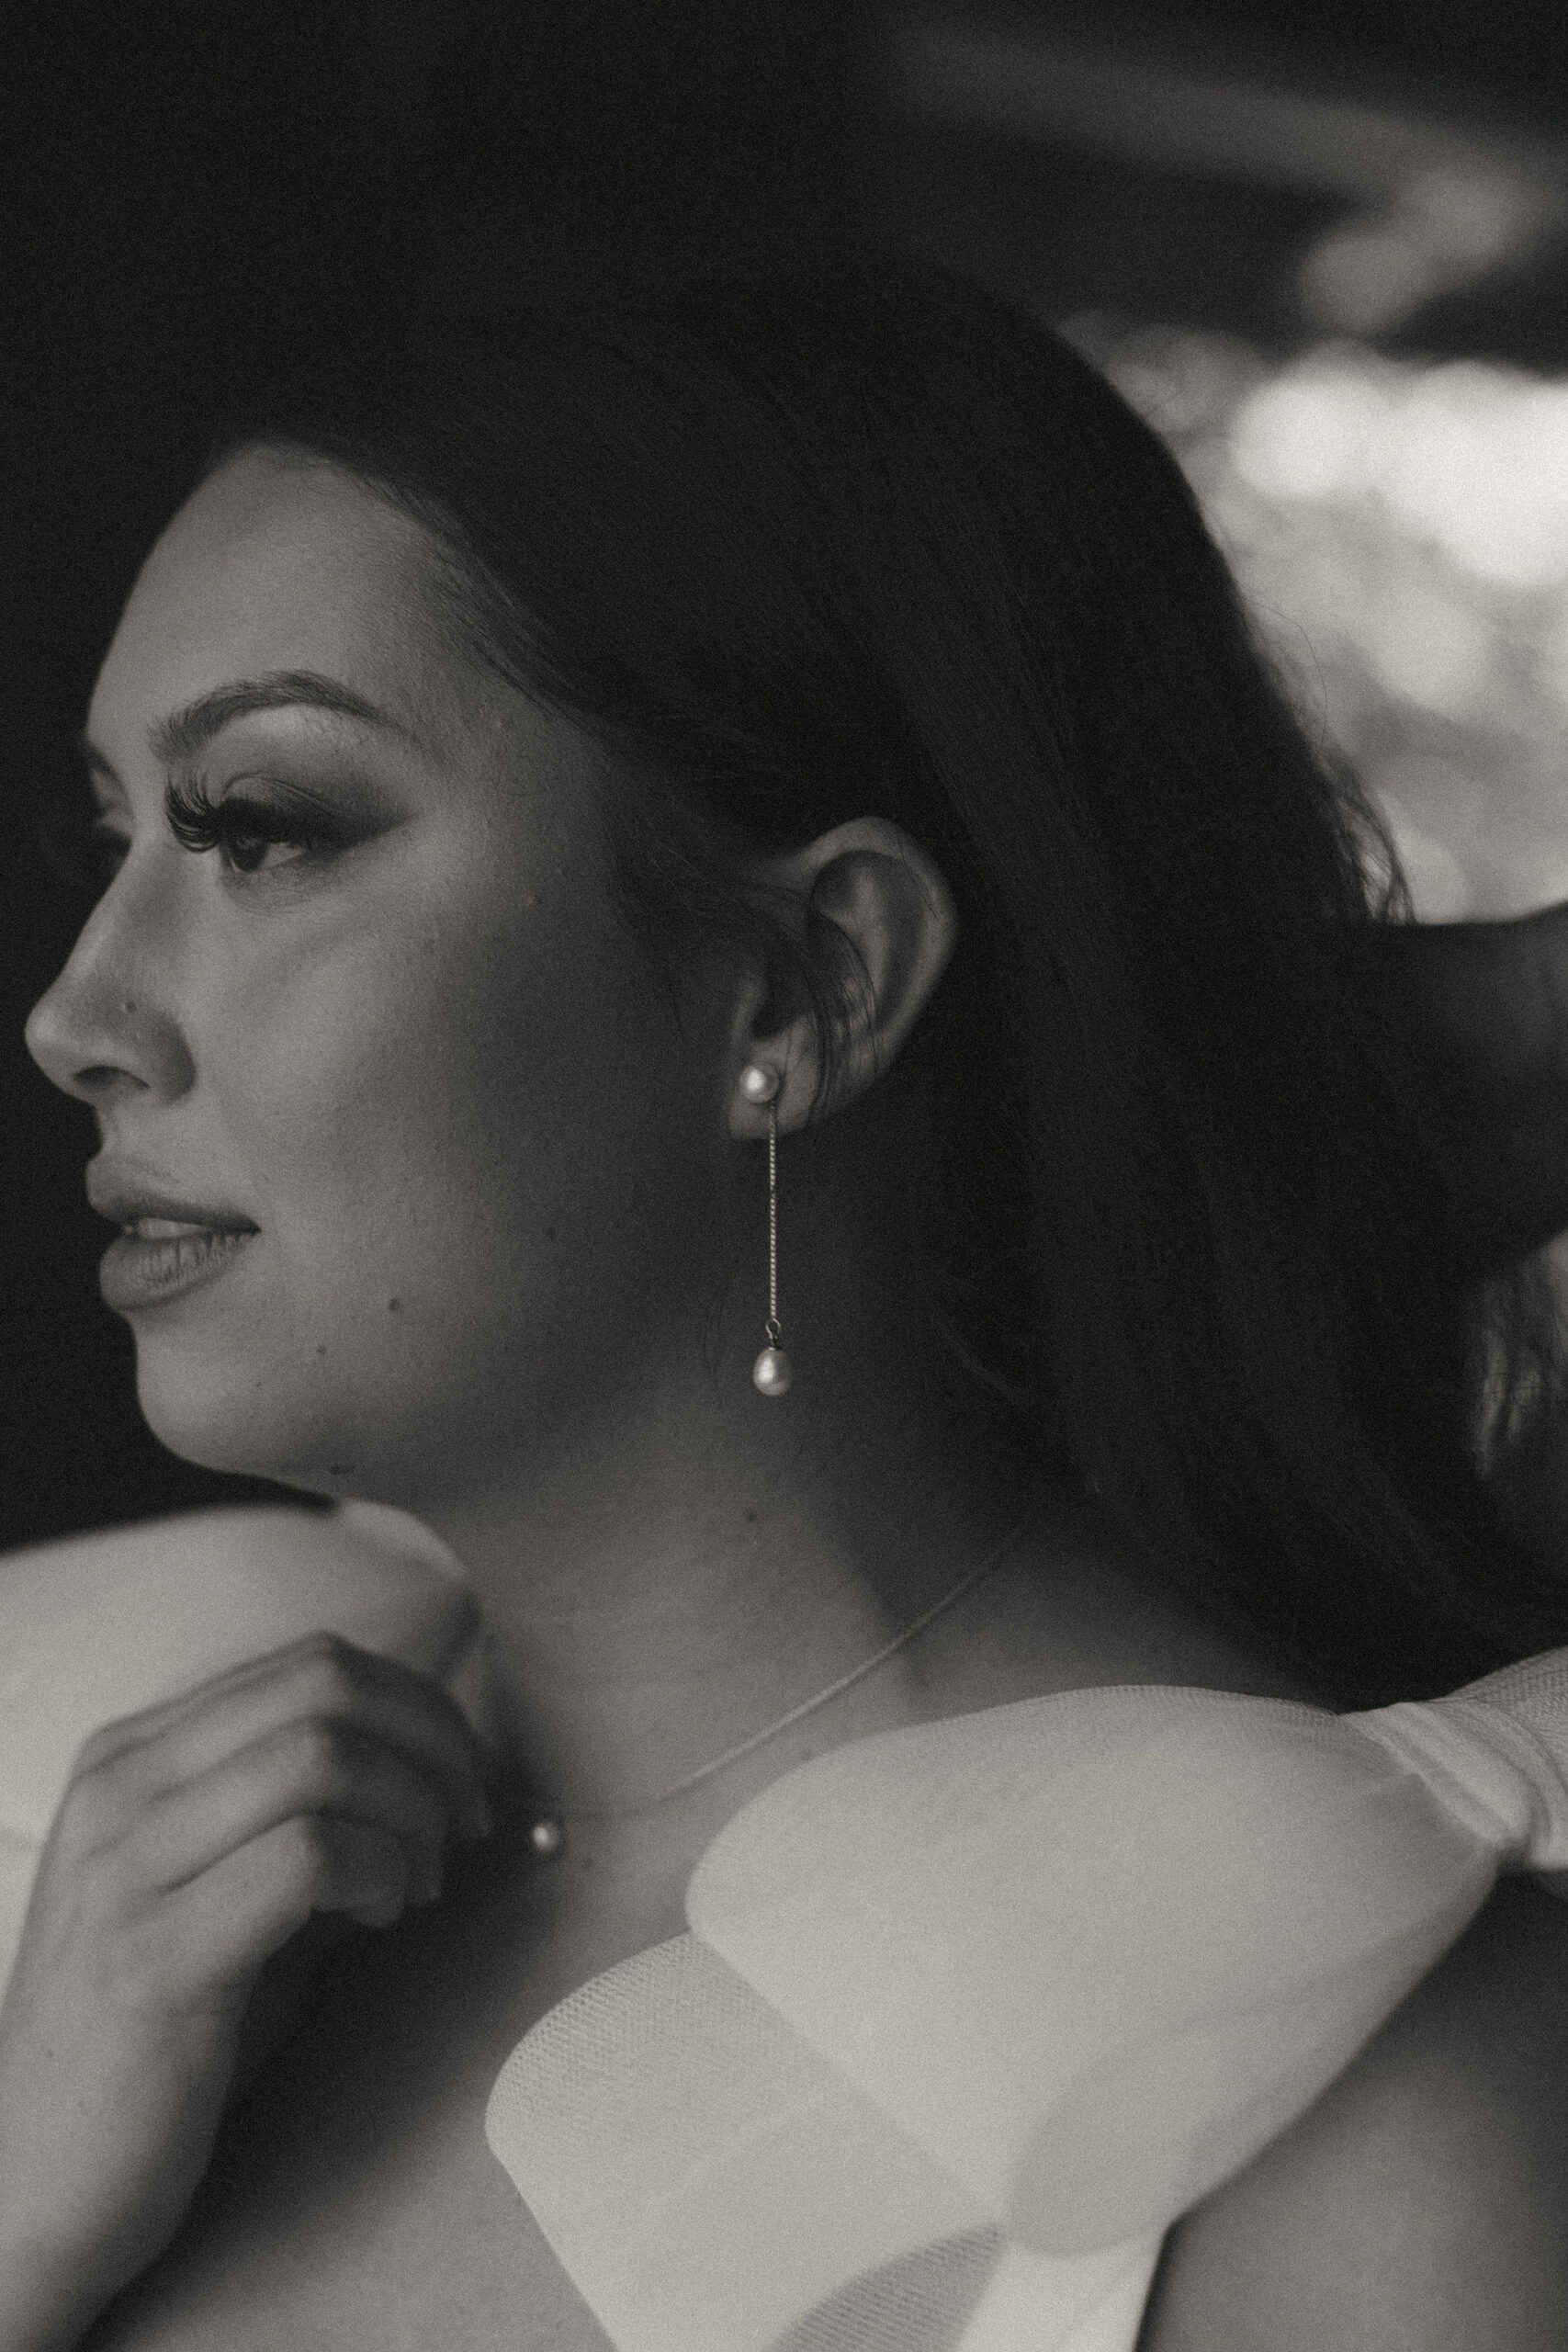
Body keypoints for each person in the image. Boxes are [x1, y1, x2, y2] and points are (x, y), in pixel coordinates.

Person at [8, 250, 1568, 2349]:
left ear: (804, 981)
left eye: (260, 827)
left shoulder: (1348, 2100)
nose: (75, 1016)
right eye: (108, 839)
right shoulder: (76, 1868)